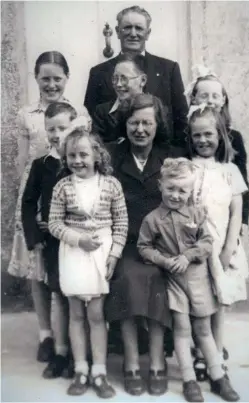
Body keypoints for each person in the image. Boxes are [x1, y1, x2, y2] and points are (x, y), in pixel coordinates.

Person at [7, 51, 91, 363]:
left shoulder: (77, 114)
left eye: (57, 78)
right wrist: (30, 205)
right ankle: (45, 333)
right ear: (36, 78)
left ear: (67, 78)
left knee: (63, 264)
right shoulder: (27, 114)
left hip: (67, 188)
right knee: (38, 265)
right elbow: (22, 160)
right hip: (37, 186)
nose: (51, 84)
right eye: (45, 78)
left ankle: (70, 332)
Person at [137, 158, 240, 402]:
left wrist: (188, 256)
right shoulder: (152, 219)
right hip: (174, 282)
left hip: (198, 279)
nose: (176, 195)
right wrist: (162, 260)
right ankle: (189, 380)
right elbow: (144, 247)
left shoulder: (197, 213)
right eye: (171, 188)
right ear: (160, 185)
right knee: (182, 330)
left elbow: (206, 242)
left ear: (191, 190)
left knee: (203, 328)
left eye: (182, 190)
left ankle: (218, 376)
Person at [105, 93, 183, 396]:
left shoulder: (170, 158)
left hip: (160, 246)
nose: (140, 129)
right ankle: (131, 361)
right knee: (124, 280)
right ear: (125, 124)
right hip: (125, 244)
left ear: (156, 124)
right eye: (134, 122)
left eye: (146, 122)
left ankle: (156, 362)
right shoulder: (112, 157)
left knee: (158, 280)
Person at [48, 130, 128, 398]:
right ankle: (81, 368)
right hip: (73, 252)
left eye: (83, 154)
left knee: (96, 315)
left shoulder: (111, 185)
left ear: (97, 155)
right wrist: (78, 239)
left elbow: (121, 224)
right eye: (71, 155)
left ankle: (99, 371)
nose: (77, 160)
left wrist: (114, 255)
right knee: (76, 314)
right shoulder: (62, 187)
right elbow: (55, 223)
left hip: (102, 254)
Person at [21, 102, 83, 379]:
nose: (56, 134)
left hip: (80, 242)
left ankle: (80, 354)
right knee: (58, 295)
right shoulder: (41, 165)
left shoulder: (82, 163)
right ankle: (60, 352)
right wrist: (35, 238)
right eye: (51, 129)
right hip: (53, 243)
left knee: (79, 299)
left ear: (75, 126)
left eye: (62, 127)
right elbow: (28, 203)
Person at [188, 105, 249, 383]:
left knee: (219, 302)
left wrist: (228, 249)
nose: (203, 140)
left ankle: (217, 348)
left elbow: (236, 212)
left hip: (222, 244)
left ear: (221, 135)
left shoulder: (230, 171)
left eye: (208, 134)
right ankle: (201, 352)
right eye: (197, 135)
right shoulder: (186, 168)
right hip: (196, 246)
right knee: (200, 302)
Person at [84, 5, 188, 146]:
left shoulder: (168, 69)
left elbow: (181, 120)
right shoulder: (98, 73)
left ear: (148, 33)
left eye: (139, 28)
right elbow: (91, 124)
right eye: (127, 27)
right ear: (117, 32)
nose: (133, 33)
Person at [185, 65, 249, 228]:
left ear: (223, 100)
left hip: (223, 207)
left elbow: (241, 178)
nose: (210, 100)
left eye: (215, 96)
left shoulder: (234, 137)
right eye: (204, 95)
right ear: (193, 99)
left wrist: (243, 218)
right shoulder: (186, 134)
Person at [92, 54, 147, 143]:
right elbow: (96, 147)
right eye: (115, 78)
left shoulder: (156, 109)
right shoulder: (102, 112)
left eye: (124, 78)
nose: (118, 84)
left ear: (143, 80)